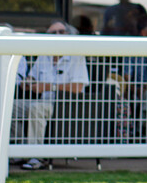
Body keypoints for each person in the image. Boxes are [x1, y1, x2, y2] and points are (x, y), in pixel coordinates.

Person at [15, 20, 90, 170]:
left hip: (66, 106)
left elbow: (77, 87)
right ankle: (16, 151)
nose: (57, 35)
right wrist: (28, 82)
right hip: (44, 102)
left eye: (61, 32)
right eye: (53, 32)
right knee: (11, 107)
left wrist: (49, 87)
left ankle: (37, 156)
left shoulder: (76, 57)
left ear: (68, 35)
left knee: (37, 108)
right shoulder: (44, 56)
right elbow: (33, 77)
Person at [123, 15, 147, 139]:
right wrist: (138, 89)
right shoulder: (134, 50)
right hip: (137, 90)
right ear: (144, 33)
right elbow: (126, 79)